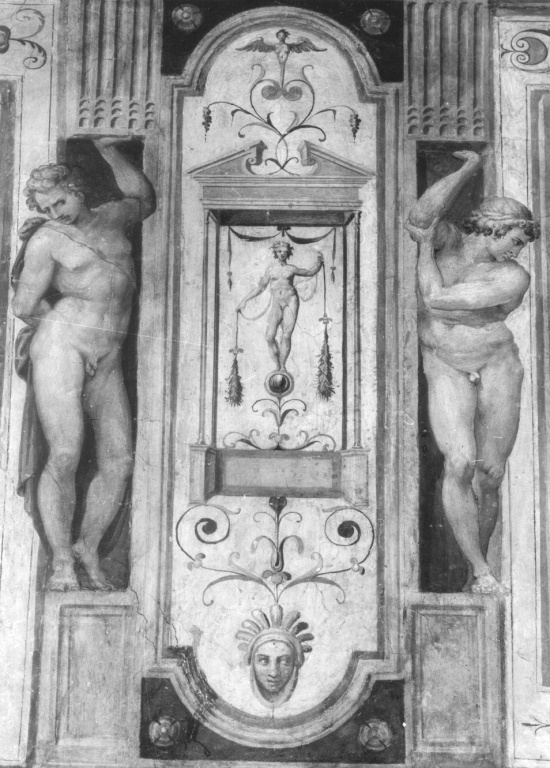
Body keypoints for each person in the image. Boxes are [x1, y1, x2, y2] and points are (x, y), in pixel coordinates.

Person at [12, 136, 156, 591]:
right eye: (46, 208)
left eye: (61, 202)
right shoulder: (47, 240)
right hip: (63, 347)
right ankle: (59, 562)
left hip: (108, 354)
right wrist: (65, 334)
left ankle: (87, 547)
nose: (57, 213)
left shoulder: (113, 218)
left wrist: (109, 151)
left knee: (119, 460)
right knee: (66, 453)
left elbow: (144, 198)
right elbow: (23, 305)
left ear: (78, 191)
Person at [406, 150, 540, 594]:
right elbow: (420, 217)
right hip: (444, 362)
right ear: (493, 228)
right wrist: (466, 170)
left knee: (491, 474)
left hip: (496, 362)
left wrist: (424, 250)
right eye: (515, 240)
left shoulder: (513, 277)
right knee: (460, 462)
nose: (518, 251)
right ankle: (481, 571)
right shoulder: (448, 241)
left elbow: (437, 300)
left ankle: (473, 572)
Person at [237, 240, 323, 371]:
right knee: (269, 336)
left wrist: (319, 262)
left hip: (291, 301)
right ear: (275, 253)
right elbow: (260, 288)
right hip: (276, 303)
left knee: (286, 335)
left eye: (285, 252)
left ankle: (282, 366)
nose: (282, 254)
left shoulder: (292, 268)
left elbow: (309, 272)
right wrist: (244, 300)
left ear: (288, 253)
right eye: (279, 251)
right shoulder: (270, 270)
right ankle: (277, 364)